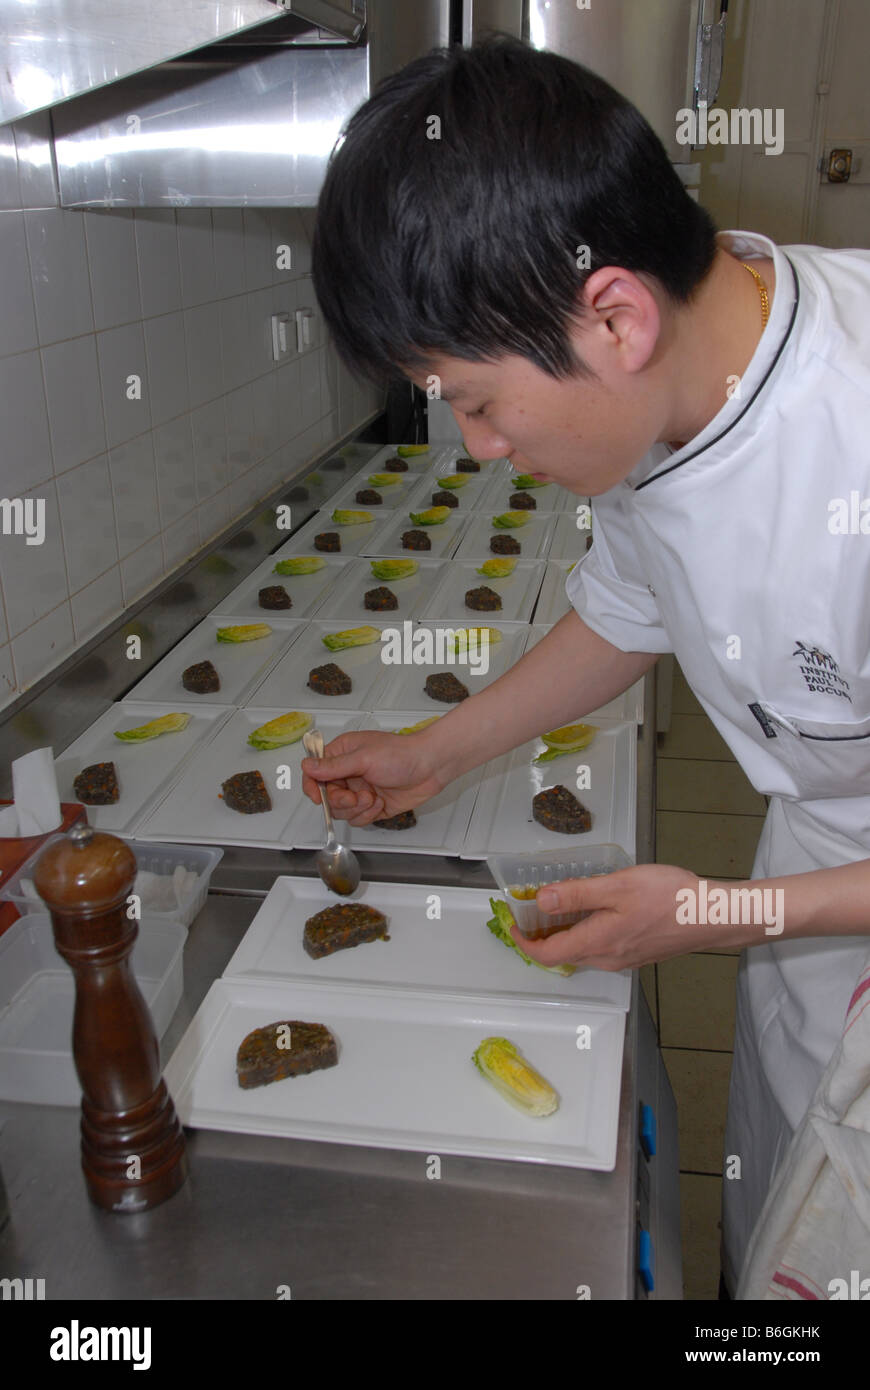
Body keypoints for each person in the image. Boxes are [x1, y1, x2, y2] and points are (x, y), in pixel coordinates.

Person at [303, 36, 870, 1295]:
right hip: (819, 882)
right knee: (773, 1225)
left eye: (478, 400)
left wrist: (715, 912)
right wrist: (431, 753)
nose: (479, 447)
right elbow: (630, 609)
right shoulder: (667, 394)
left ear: (615, 314)